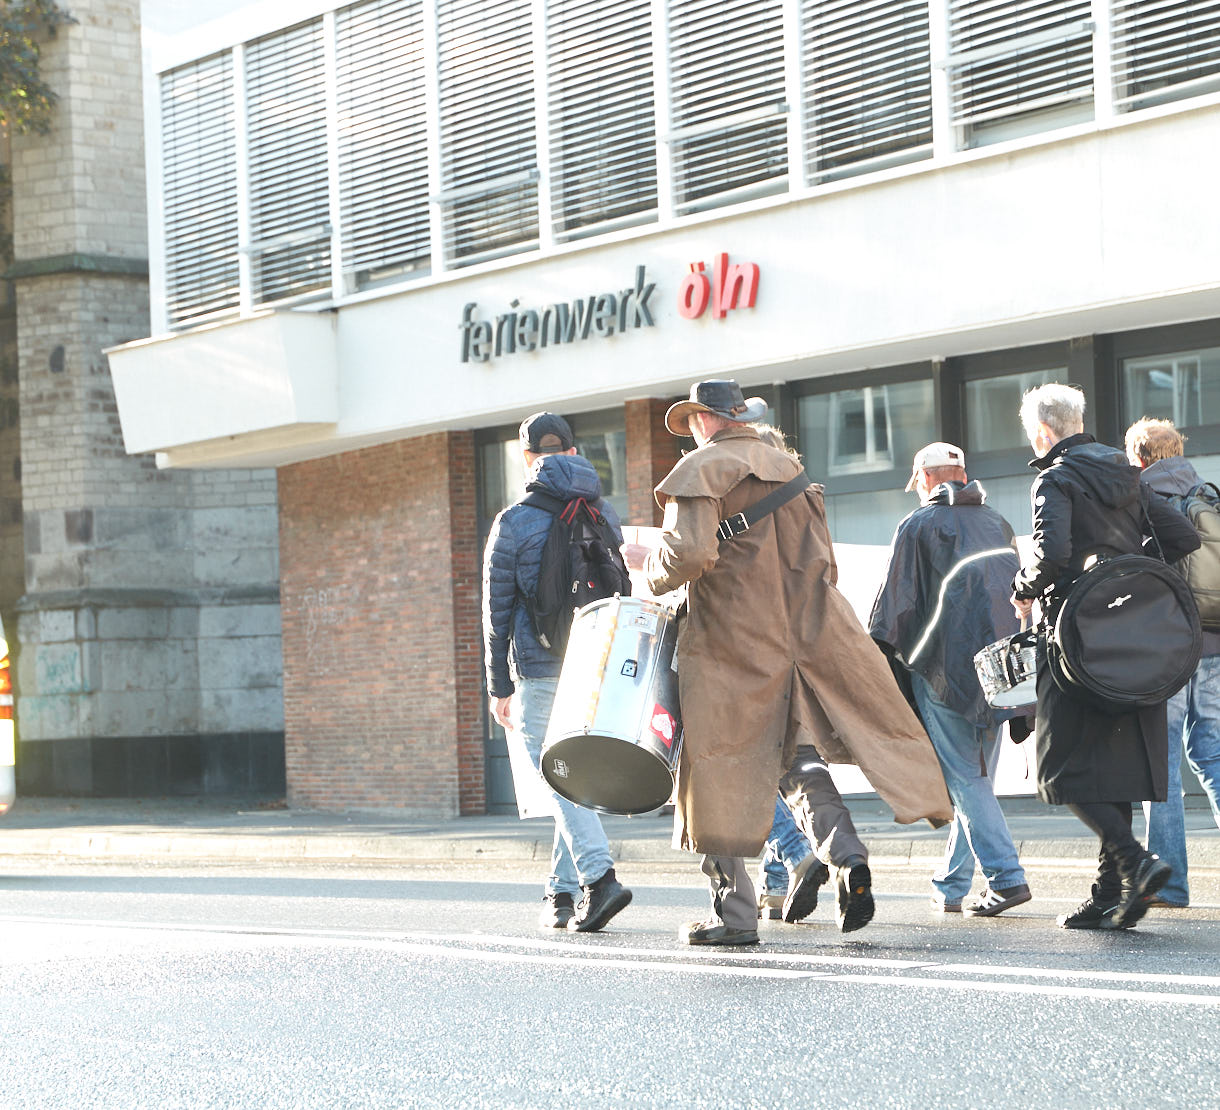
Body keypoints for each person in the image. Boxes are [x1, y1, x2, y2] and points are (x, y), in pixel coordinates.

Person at [621, 379, 953, 947]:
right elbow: (824, 562)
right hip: (802, 641)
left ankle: (734, 915)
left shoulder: (702, 472)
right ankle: (848, 860)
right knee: (797, 763)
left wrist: (647, 568)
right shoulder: (792, 474)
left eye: (693, 421)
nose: (692, 432)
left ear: (707, 419)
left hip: (731, 647)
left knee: (716, 767)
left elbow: (691, 554)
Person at [1011, 385, 1198, 930]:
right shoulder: (1128, 473)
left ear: (1044, 431)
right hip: (1133, 638)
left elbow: (1053, 555)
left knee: (1058, 766)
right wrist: (1123, 570)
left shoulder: (1054, 477)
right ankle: (1110, 894)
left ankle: (1135, 862)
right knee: (1115, 768)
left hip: (1072, 637)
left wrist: (1024, 586)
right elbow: (1181, 537)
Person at [482, 411, 632, 933]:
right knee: (571, 775)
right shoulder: (602, 512)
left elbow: (496, 612)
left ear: (528, 458)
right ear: (571, 452)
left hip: (541, 666)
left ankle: (599, 878)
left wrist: (499, 685)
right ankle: (561, 894)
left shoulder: (513, 521)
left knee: (557, 774)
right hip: (594, 664)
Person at [870, 442, 1031, 917]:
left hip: (945, 669)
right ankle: (953, 884)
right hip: (1002, 667)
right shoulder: (997, 522)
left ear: (925, 479)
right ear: (962, 475)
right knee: (975, 778)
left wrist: (876, 663)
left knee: (965, 778)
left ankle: (1006, 876)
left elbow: (893, 607)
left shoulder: (918, 524)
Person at [1125, 416, 1220, 908]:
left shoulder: (1141, 497)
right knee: (1214, 756)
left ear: (1138, 457)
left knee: (1159, 767)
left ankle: (1172, 884)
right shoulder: (1209, 492)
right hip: (1216, 644)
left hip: (1167, 649)